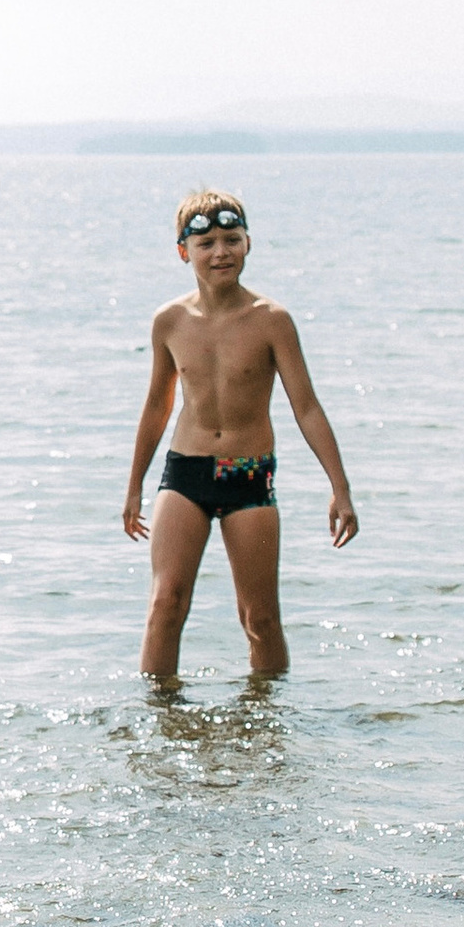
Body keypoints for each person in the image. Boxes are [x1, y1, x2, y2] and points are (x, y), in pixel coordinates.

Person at [123, 189, 357, 678]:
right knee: (165, 604)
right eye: (206, 243)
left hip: (249, 475)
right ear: (184, 252)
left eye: (232, 239)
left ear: (248, 244)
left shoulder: (272, 321)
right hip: (184, 472)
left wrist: (340, 488)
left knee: (261, 618)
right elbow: (155, 405)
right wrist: (134, 487)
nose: (221, 252)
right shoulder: (169, 321)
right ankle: (159, 726)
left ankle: (267, 728)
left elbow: (307, 407)